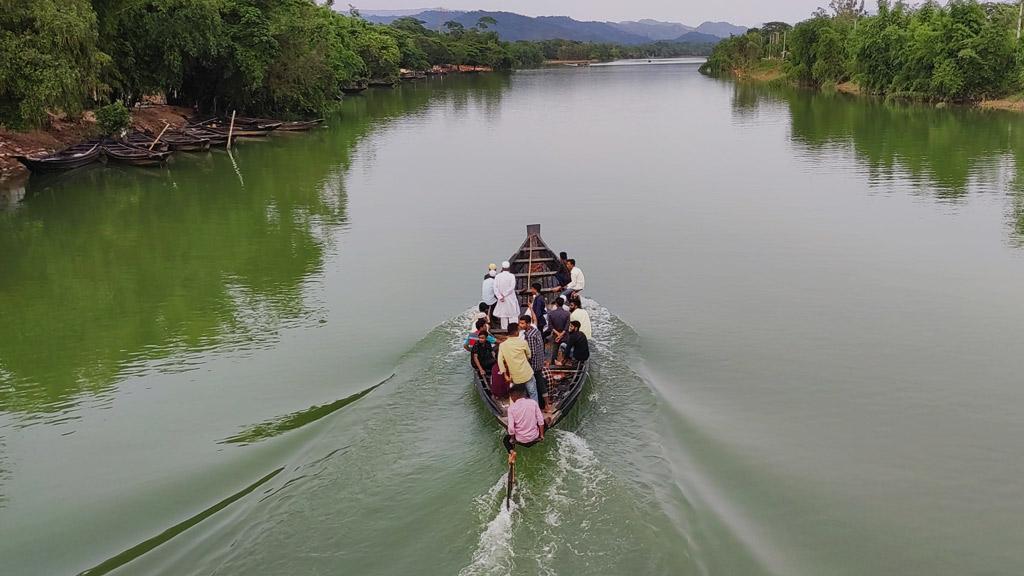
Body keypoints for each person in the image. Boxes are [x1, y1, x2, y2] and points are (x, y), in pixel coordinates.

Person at [496, 321, 538, 403]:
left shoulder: (502, 345)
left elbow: (500, 361)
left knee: (518, 396)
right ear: (515, 332)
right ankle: (535, 411)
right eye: (518, 330)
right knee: (533, 393)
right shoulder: (523, 342)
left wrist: (505, 375)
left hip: (515, 376)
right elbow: (529, 355)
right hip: (527, 373)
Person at [502, 384, 545, 453]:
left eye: (511, 397)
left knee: (505, 440)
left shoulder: (511, 409)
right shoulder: (533, 403)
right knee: (545, 421)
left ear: (514, 396)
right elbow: (540, 420)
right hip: (534, 436)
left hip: (520, 439)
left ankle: (511, 451)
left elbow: (511, 428)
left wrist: (513, 439)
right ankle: (541, 435)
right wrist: (542, 435)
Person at [519, 314, 547, 410]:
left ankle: (535, 406)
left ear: (528, 324)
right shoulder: (536, 331)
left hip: (533, 364)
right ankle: (545, 404)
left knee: (533, 385)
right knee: (540, 382)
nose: (520, 325)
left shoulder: (529, 336)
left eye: (522, 323)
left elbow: (531, 353)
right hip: (539, 362)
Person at [492, 260, 520, 330]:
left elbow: (495, 288)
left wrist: (500, 296)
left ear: (502, 268)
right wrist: (504, 294)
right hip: (510, 298)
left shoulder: (497, 276)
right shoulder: (511, 276)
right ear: (509, 268)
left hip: (501, 299)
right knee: (513, 315)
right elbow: (512, 287)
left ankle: (504, 330)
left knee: (503, 315)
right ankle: (513, 330)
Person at [547, 296, 571, 362]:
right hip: (565, 335)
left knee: (555, 350)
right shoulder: (567, 314)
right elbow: (567, 326)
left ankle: (553, 362)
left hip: (555, 335)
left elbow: (550, 326)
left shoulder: (551, 313)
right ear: (563, 304)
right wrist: (561, 334)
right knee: (567, 349)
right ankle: (565, 361)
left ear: (556, 304)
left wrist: (558, 334)